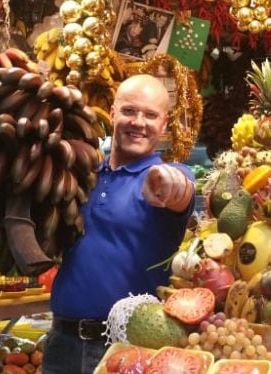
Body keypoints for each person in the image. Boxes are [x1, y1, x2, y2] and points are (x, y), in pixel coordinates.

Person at [42, 74, 195, 373]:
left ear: (164, 124)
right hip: (62, 344)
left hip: (126, 350)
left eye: (150, 115)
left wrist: (169, 183)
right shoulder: (82, 175)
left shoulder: (168, 173)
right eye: (129, 111)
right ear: (112, 113)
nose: (139, 122)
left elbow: (181, 190)